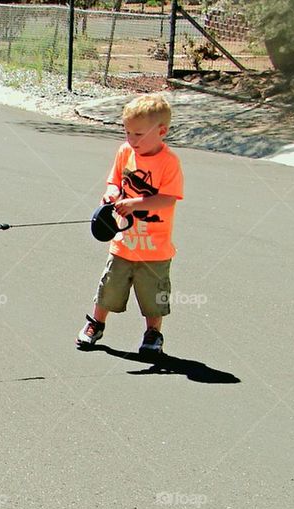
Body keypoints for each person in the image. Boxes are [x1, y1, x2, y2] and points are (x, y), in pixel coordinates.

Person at [76, 93, 184, 356]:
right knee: (109, 288)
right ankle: (96, 323)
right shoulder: (125, 152)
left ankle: (153, 333)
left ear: (161, 131)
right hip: (123, 242)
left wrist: (135, 204)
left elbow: (168, 199)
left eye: (138, 134)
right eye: (127, 132)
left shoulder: (169, 162)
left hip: (155, 249)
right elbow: (114, 181)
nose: (131, 139)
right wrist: (111, 194)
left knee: (154, 296)